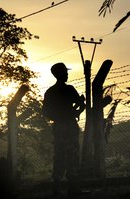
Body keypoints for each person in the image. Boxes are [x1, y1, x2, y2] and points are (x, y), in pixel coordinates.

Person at [42, 62, 86, 196]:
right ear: (60, 74)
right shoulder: (69, 89)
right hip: (70, 126)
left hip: (58, 126)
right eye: (65, 72)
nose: (67, 74)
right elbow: (81, 105)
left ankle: (56, 187)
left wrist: (58, 117)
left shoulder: (50, 92)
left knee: (59, 155)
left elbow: (45, 112)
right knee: (72, 155)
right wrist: (75, 113)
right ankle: (73, 188)